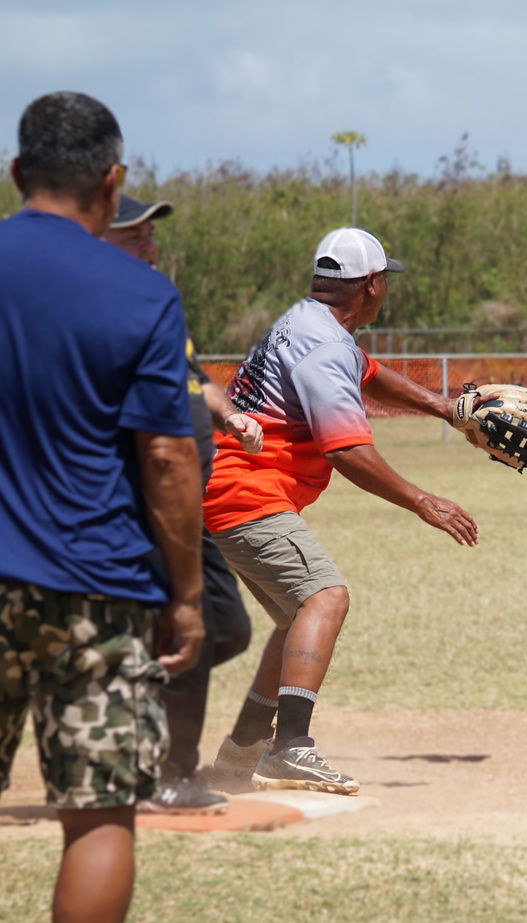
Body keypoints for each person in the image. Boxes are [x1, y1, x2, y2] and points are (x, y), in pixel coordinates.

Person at [0, 90, 203, 922]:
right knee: (97, 813)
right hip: (95, 590)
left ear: (16, 173)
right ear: (112, 181)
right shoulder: (140, 295)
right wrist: (186, 594)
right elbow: (165, 454)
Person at [204, 227, 479, 795]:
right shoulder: (326, 346)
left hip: (227, 488)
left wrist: (444, 408)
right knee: (323, 597)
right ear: (373, 285)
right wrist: (423, 501)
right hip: (246, 491)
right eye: (386, 280)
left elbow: (367, 371)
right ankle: (292, 747)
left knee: (295, 615)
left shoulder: (308, 323)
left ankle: (241, 754)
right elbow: (347, 450)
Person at [102, 193, 265, 815]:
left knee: (226, 629)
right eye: (134, 236)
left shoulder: (156, 304)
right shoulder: (100, 309)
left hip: (191, 499)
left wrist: (231, 414)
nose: (150, 245)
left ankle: (130, 709)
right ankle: (170, 772)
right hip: (148, 496)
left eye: (149, 235)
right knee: (183, 627)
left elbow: (195, 380)